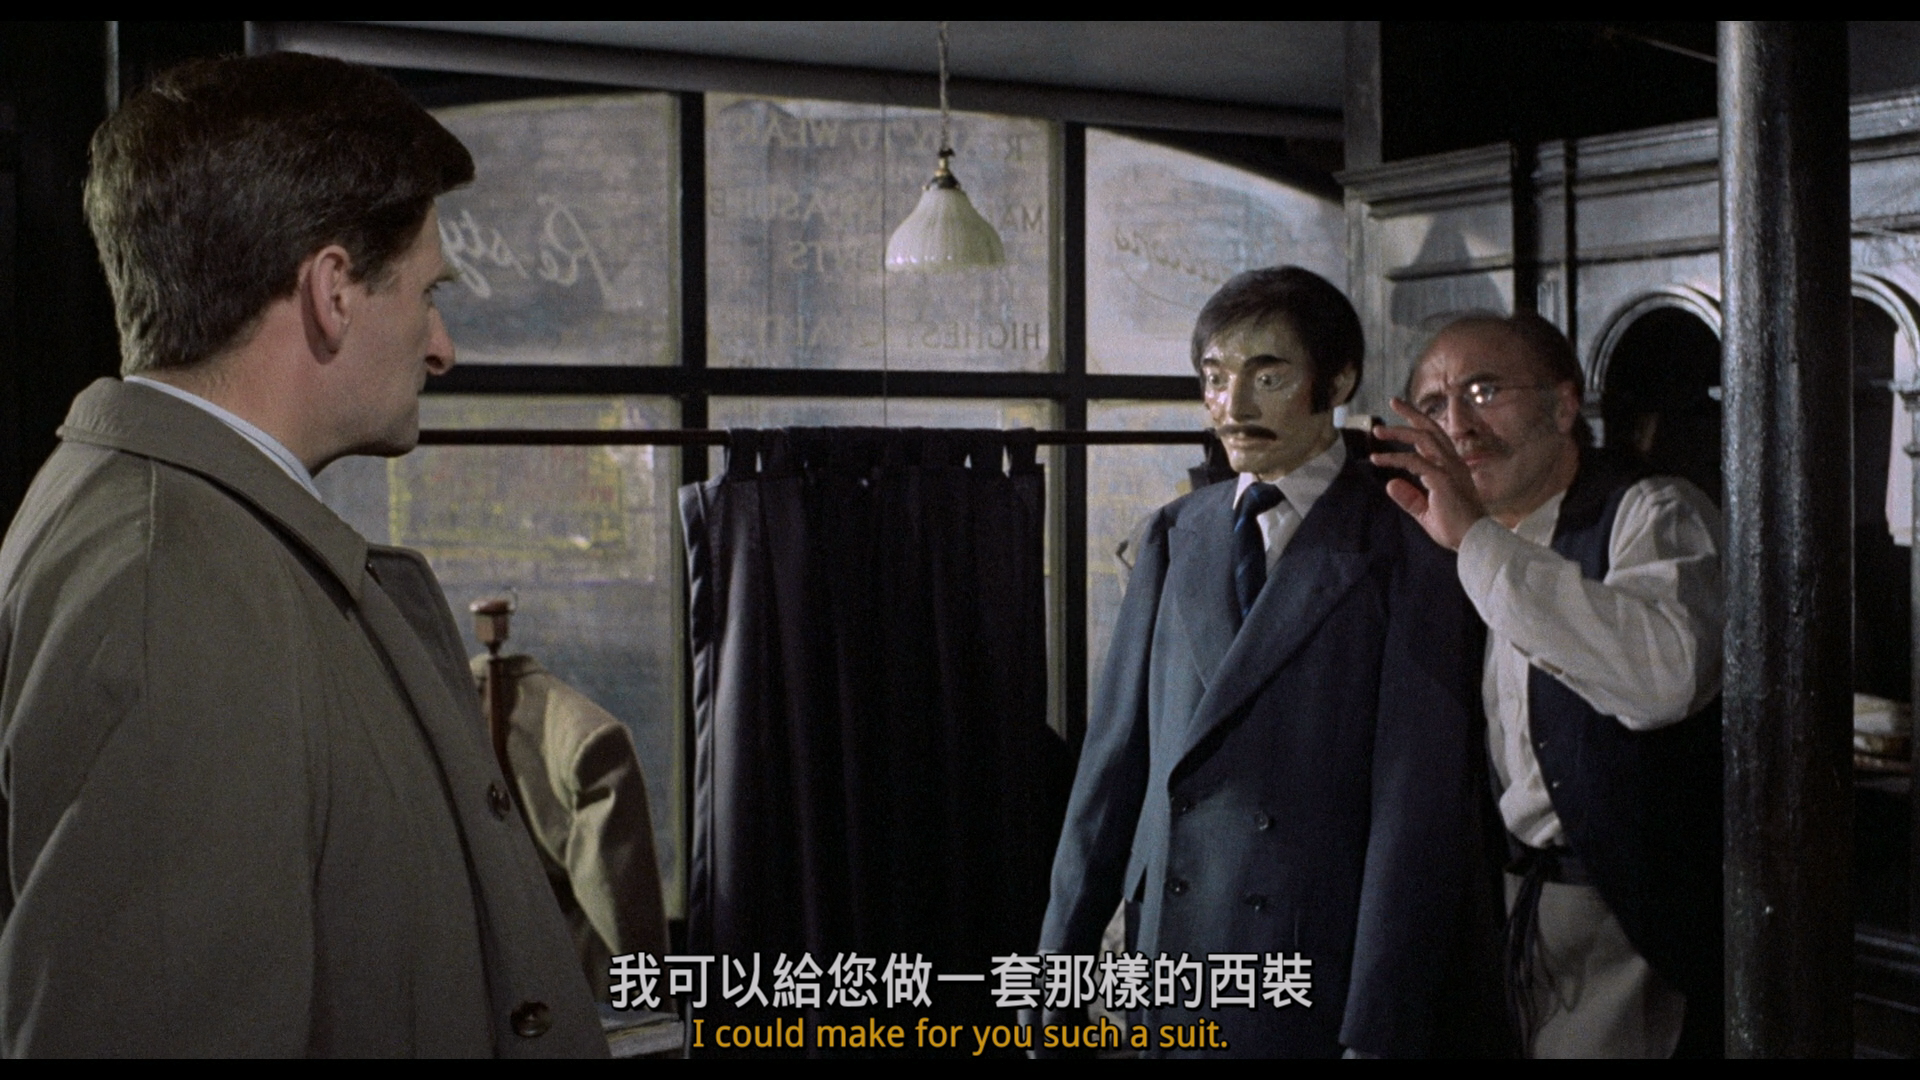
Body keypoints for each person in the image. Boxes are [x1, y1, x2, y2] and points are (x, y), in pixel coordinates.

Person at [0, 53, 604, 1056]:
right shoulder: (174, 592)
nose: (442, 345)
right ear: (333, 291)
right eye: (426, 292)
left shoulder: (188, 538)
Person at [1038, 267, 1487, 1058]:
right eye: (1215, 379)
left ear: (1337, 380)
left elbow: (1413, 808)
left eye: (1268, 376)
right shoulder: (1175, 533)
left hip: (1305, 965)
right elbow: (1108, 778)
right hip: (1164, 960)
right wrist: (1057, 981)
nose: (1235, 406)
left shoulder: (1405, 539)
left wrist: (1376, 1028)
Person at [1370, 312, 1722, 1058]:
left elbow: (1665, 679)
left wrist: (1477, 541)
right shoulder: (1435, 542)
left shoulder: (1651, 510)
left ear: (1563, 406)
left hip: (1628, 915)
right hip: (1497, 908)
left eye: (1484, 392)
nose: (1458, 426)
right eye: (1433, 405)